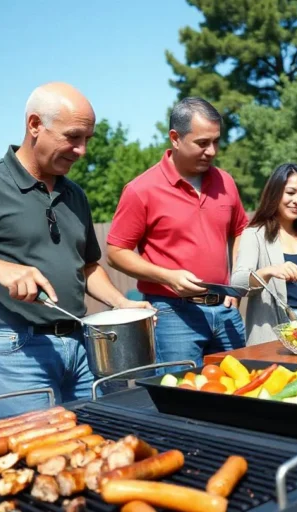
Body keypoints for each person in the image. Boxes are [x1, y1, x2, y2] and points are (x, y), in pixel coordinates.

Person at [0, 83, 152, 419]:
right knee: (31, 452)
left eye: (87, 140)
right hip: (14, 351)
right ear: (35, 125)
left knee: (98, 440)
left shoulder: (75, 195)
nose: (82, 150)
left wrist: (120, 303)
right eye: (73, 137)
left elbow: (88, 266)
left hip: (82, 345)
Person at [107, 98, 247, 366]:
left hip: (226, 310)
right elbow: (115, 253)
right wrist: (167, 276)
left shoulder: (225, 181)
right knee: (181, 398)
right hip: (173, 315)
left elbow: (241, 230)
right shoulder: (141, 189)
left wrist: (236, 284)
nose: (212, 151)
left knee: (240, 394)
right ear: (175, 138)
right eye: (202, 143)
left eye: (216, 141)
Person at [231, 164, 297, 345]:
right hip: (278, 328)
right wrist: (269, 271)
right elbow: (237, 283)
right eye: (291, 192)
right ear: (275, 193)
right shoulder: (255, 234)